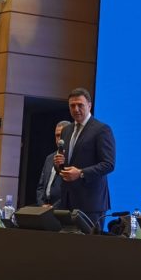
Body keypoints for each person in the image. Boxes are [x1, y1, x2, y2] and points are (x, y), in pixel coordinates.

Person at [53, 88, 116, 228]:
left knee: (88, 242)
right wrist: (58, 164)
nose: (76, 109)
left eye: (80, 105)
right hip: (67, 202)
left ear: (89, 105)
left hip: (91, 203)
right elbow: (64, 167)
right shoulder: (66, 130)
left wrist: (81, 173)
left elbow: (108, 164)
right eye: (72, 105)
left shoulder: (101, 129)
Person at [36, 120, 71, 207]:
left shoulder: (73, 158)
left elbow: (71, 190)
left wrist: (54, 207)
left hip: (62, 208)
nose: (59, 140)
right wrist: (42, 205)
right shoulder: (49, 158)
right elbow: (40, 187)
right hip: (45, 208)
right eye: (57, 136)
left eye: (62, 135)